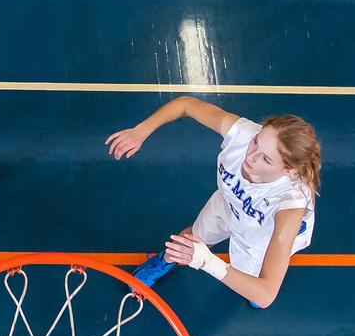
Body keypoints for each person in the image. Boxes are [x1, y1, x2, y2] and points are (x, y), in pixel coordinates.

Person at [106, 96, 321, 308]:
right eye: (256, 141)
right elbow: (186, 105)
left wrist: (207, 262)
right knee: (193, 237)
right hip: (228, 203)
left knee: (254, 290)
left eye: (266, 159)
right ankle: (166, 260)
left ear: (289, 170)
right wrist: (141, 130)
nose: (251, 156)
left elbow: (266, 296)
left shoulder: (289, 205)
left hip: (261, 234)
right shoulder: (242, 133)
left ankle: (250, 271)